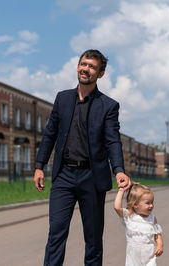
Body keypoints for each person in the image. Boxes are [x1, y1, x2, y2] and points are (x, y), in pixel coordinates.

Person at [33, 49, 131, 266]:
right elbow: (50, 133)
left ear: (100, 74)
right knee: (56, 234)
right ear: (78, 66)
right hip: (63, 176)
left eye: (92, 66)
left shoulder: (108, 106)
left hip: (91, 177)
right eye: (83, 64)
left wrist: (119, 170)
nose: (86, 69)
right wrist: (39, 166)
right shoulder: (62, 98)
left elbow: (113, 140)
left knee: (93, 239)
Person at [114, 183, 163, 266]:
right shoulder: (129, 216)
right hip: (133, 258)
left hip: (149, 256)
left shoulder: (152, 218)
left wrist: (160, 244)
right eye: (148, 203)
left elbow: (157, 234)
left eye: (152, 202)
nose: (151, 205)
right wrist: (121, 190)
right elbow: (117, 207)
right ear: (135, 204)